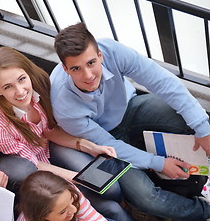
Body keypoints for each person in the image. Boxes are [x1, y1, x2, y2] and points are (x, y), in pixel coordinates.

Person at [50, 22, 210, 220]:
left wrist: (203, 129)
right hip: (105, 143)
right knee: (146, 197)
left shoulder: (112, 50)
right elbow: (108, 144)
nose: (88, 75)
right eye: (76, 68)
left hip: (131, 108)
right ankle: (205, 212)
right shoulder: (63, 106)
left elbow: (163, 82)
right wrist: (159, 163)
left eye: (91, 63)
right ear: (65, 69)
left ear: (100, 55)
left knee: (193, 119)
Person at [0, 47, 134, 221]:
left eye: (22, 79)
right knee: (110, 207)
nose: (20, 91)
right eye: (8, 87)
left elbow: (49, 131)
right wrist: (77, 179)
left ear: (28, 73)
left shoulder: (40, 87)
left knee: (111, 186)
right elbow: (33, 165)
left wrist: (89, 147)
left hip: (51, 147)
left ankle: (127, 206)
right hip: (37, 172)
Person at [17, 171, 107, 221]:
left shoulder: (66, 189)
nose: (74, 209)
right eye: (63, 211)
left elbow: (91, 216)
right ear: (41, 216)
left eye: (71, 200)